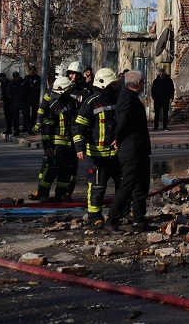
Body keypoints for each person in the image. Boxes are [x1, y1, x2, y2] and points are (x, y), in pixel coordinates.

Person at [73, 67, 121, 226]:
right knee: (97, 186)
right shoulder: (91, 102)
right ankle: (94, 216)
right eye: (112, 84)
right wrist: (79, 147)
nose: (115, 86)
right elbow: (78, 126)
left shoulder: (117, 99)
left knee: (123, 184)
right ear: (104, 84)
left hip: (115, 153)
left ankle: (124, 211)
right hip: (97, 155)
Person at [105, 70, 151, 232]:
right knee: (128, 184)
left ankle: (139, 218)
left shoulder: (130, 97)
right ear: (138, 84)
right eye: (143, 82)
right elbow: (122, 123)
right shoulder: (127, 98)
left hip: (139, 149)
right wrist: (118, 139)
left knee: (141, 184)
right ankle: (112, 220)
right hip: (131, 150)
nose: (144, 85)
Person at [29, 74, 79, 202]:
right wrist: (47, 146)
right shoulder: (52, 106)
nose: (71, 91)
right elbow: (47, 128)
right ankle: (43, 194)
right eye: (68, 89)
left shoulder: (71, 103)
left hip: (70, 143)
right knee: (51, 170)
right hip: (56, 146)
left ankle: (61, 194)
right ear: (62, 90)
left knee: (67, 170)